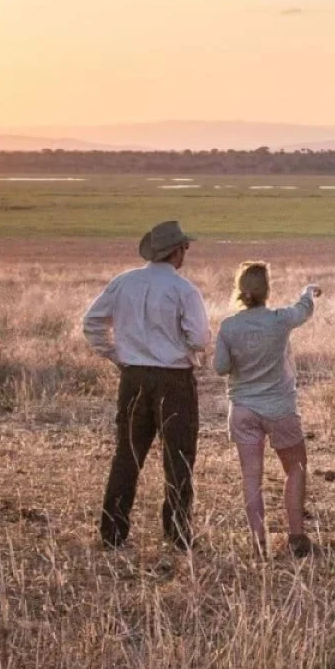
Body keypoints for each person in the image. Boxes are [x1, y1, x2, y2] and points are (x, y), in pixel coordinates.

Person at [82, 219, 210, 549]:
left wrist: (116, 355)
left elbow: (92, 323)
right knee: (179, 458)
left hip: (134, 377)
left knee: (127, 455)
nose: (187, 253)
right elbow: (199, 338)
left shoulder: (123, 283)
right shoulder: (184, 290)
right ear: (177, 251)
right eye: (185, 248)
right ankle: (177, 532)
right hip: (174, 381)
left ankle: (112, 531)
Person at [212, 261, 320, 557]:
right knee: (295, 468)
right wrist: (308, 292)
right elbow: (303, 310)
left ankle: (260, 544)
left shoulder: (229, 326)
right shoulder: (279, 319)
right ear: (267, 289)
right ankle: (296, 536)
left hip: (244, 408)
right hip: (280, 407)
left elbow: (220, 367)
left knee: (251, 477)